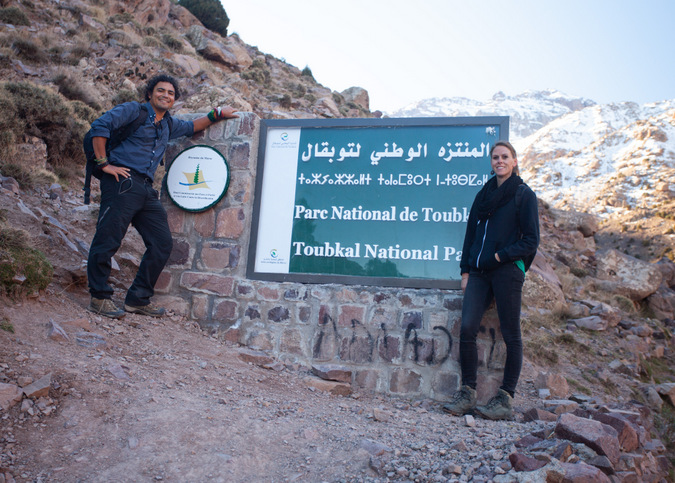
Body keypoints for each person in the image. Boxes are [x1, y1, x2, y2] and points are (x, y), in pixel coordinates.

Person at [87, 74, 238, 319]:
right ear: (150, 94)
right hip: (121, 182)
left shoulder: (168, 124)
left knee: (162, 242)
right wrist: (104, 164)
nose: (166, 95)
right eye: (161, 90)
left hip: (146, 189)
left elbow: (193, 126)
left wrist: (217, 114)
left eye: (170, 93)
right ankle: (99, 297)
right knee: (108, 239)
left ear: (174, 99)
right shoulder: (132, 111)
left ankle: (137, 299)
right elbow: (99, 127)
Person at [442, 140, 539, 420]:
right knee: (468, 327)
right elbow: (471, 234)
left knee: (511, 334)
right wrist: (465, 271)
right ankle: (467, 392)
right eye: (495, 157)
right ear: (491, 161)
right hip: (479, 273)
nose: (500, 161)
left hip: (506, 271)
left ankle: (505, 399)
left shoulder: (523, 194)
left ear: (514, 161)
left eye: (505, 157)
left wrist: (500, 257)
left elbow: (532, 240)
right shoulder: (483, 195)